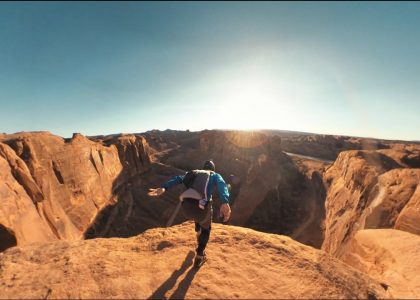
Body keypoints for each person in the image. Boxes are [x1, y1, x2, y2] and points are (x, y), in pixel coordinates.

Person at [148, 160, 231, 267]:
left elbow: (178, 179)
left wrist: (164, 187)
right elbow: (222, 185)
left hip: (186, 208)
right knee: (206, 228)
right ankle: (200, 256)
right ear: (212, 169)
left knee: (198, 212)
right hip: (202, 211)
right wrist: (225, 202)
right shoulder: (214, 175)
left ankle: (197, 230)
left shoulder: (193, 172)